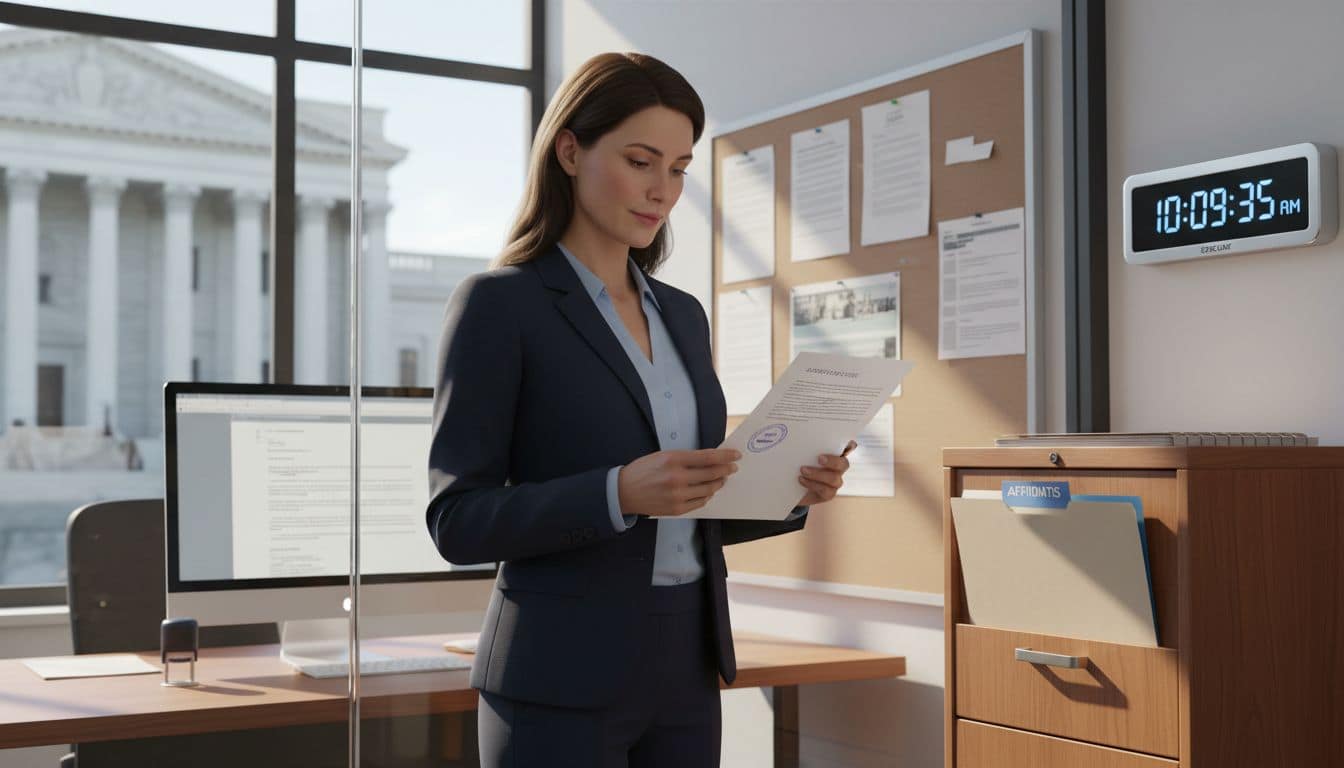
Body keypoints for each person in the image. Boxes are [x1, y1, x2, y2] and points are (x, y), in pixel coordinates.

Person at [426, 52, 854, 768]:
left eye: (680, 168)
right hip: (556, 677)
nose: (663, 190)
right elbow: (456, 519)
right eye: (641, 160)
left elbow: (688, 506)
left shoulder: (682, 315)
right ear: (569, 150)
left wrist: (789, 488)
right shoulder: (501, 306)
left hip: (686, 665)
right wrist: (616, 492)